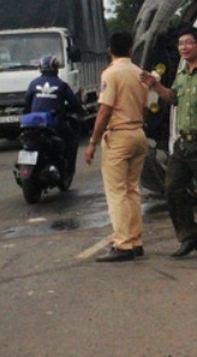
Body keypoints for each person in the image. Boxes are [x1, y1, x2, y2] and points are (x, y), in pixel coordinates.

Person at [141, 26, 197, 261]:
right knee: (172, 188)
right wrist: (154, 85)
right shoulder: (181, 76)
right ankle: (189, 237)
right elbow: (172, 98)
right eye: (181, 43)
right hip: (184, 144)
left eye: (188, 43)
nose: (183, 47)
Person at [85, 31, 149, 263]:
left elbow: (105, 110)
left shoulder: (110, 74)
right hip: (138, 132)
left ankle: (122, 244)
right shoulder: (140, 73)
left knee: (117, 192)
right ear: (131, 50)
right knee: (132, 189)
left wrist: (93, 142)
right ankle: (135, 240)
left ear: (109, 50)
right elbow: (145, 107)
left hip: (119, 135)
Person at [23, 54, 83, 172]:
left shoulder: (33, 83)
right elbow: (74, 104)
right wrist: (77, 110)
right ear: (55, 68)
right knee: (70, 138)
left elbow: (26, 104)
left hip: (33, 124)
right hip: (53, 124)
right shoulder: (61, 85)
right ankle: (67, 167)